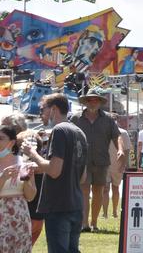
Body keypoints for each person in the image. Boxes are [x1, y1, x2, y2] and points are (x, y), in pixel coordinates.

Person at [24, 93, 88, 253]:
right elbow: (82, 176)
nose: (40, 114)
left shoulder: (59, 130)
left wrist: (32, 153)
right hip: (76, 204)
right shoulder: (80, 132)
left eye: (42, 109)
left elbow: (54, 171)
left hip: (58, 206)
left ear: (53, 109)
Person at [70, 87, 121, 232]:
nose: (93, 102)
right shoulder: (75, 118)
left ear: (100, 102)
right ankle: (84, 223)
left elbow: (116, 136)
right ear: (86, 102)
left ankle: (94, 222)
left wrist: (121, 150)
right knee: (84, 190)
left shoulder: (108, 119)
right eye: (90, 100)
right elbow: (68, 136)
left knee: (99, 191)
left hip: (101, 161)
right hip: (82, 161)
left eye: (96, 100)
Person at [0, 123, 37, 253]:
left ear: (12, 142)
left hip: (19, 216)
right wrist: (3, 178)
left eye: (1, 138)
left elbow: (31, 196)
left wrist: (26, 179)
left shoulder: (23, 162)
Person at [109, 122, 131, 218]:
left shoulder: (123, 133)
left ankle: (114, 211)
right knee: (105, 189)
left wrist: (123, 164)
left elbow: (127, 150)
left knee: (115, 188)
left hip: (117, 165)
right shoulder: (104, 131)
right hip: (104, 164)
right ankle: (105, 213)